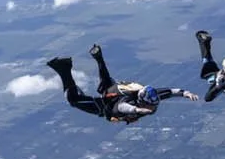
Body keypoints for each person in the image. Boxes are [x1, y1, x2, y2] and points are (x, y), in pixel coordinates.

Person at [46, 46, 198, 124]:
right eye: (151, 106)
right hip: (106, 104)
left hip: (112, 91)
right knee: (74, 100)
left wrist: (186, 93)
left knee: (106, 82)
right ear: (141, 100)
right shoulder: (130, 102)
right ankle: (64, 69)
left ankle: (98, 57)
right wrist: (138, 110)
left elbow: (170, 92)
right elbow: (121, 108)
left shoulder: (150, 96)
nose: (153, 108)